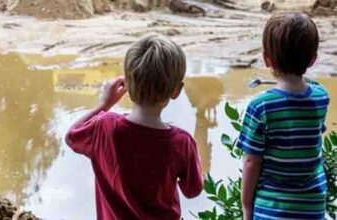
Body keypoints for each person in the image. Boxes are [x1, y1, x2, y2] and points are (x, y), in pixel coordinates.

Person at [65, 34, 203, 220]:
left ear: (127, 84)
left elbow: (72, 136)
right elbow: (192, 190)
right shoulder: (181, 142)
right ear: (176, 90)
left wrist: (104, 105)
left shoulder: (104, 126)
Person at [237, 12, 330, 220]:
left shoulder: (260, 107)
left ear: (267, 59)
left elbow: (252, 161)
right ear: (313, 59)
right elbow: (314, 86)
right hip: (312, 209)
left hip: (272, 210)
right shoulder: (321, 98)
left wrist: (246, 207)